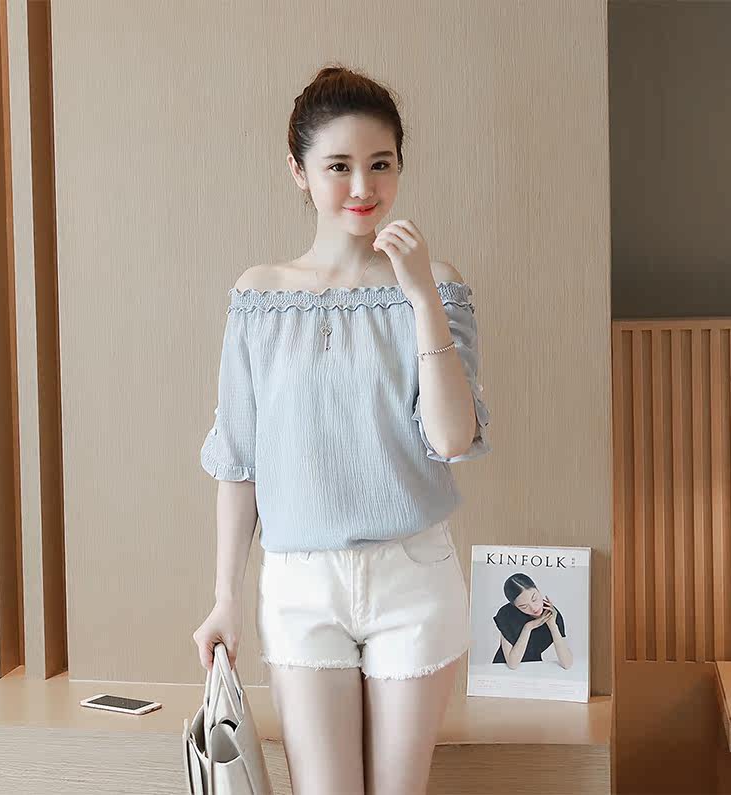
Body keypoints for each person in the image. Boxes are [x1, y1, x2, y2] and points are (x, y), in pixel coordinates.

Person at [192, 63, 492, 795]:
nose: (363, 186)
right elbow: (239, 460)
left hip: (413, 578)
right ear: (298, 171)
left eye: (381, 164)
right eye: (339, 166)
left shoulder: (437, 284)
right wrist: (226, 597)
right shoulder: (259, 297)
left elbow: (452, 438)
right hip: (300, 583)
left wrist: (420, 296)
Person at [491, 573, 573, 669]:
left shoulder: (551, 612)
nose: (534, 608)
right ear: (515, 607)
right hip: (502, 668)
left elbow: (567, 664)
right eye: (524, 606)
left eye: (534, 599)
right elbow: (512, 664)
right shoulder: (507, 614)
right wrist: (528, 627)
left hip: (533, 667)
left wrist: (552, 625)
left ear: (538, 590)